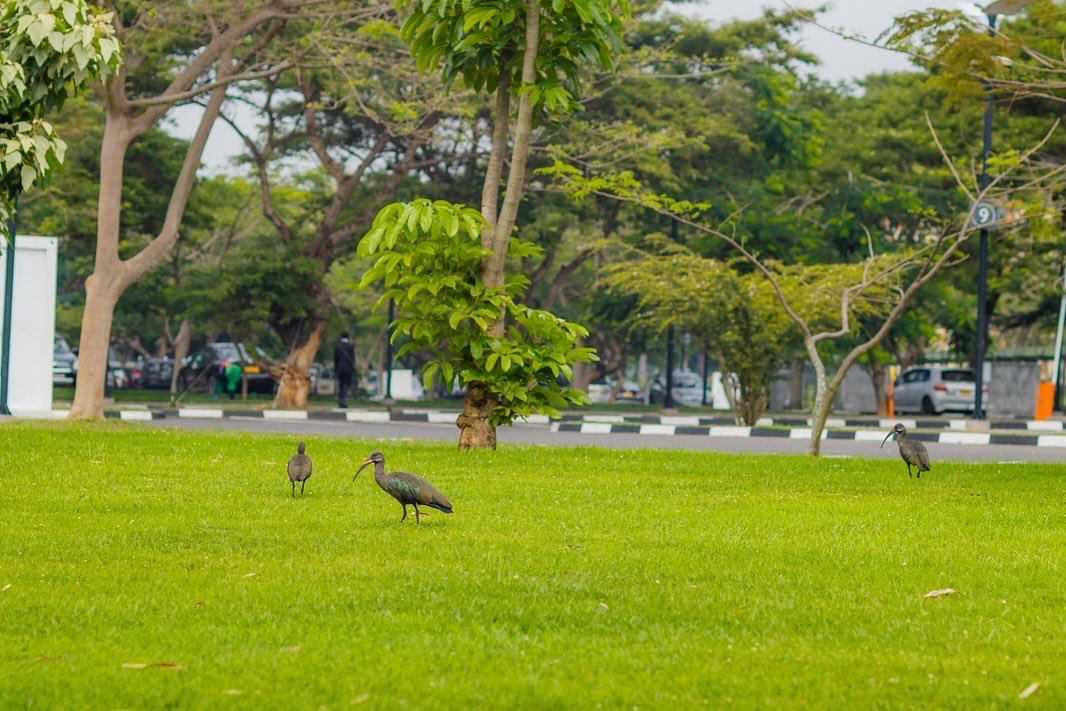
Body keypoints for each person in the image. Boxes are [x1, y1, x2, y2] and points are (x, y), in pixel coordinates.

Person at [333, 332, 356, 408]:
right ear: (348, 337)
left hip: (339, 368)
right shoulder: (350, 346)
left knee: (341, 384)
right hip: (348, 369)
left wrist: (336, 369)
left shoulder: (337, 346)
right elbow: (353, 358)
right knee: (347, 384)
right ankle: (343, 399)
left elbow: (335, 359)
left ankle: (340, 399)